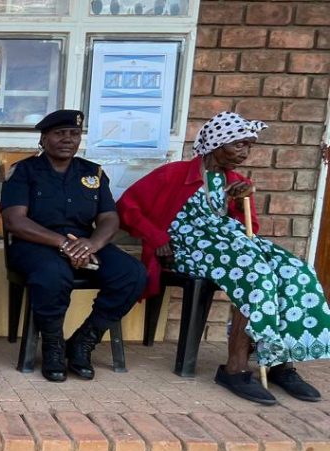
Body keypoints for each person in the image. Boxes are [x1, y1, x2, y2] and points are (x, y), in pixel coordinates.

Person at [117, 111, 328, 404]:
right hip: (188, 248)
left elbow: (251, 229)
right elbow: (126, 207)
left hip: (232, 245)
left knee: (297, 271)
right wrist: (157, 238)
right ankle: (235, 368)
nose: (245, 152)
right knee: (256, 274)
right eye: (239, 144)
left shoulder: (237, 181)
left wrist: (241, 202)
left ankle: (280, 362)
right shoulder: (174, 174)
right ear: (216, 144)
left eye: (249, 146)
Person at [0, 109, 146, 383]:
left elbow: (109, 218)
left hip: (84, 243)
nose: (68, 139)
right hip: (35, 244)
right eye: (59, 133)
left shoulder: (93, 173)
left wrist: (92, 244)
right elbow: (14, 221)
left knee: (133, 274)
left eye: (74, 134)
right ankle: (53, 345)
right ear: (44, 139)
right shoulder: (24, 171)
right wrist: (63, 244)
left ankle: (84, 341)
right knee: (53, 274)